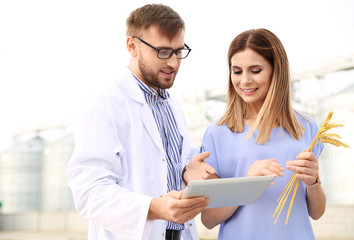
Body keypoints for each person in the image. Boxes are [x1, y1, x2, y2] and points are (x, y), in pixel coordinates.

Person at [67, 4, 215, 240]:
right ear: (132, 46)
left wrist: (187, 169)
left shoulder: (172, 106)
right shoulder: (105, 101)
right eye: (163, 51)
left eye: (178, 51)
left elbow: (164, 167)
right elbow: (89, 191)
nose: (174, 63)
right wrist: (154, 208)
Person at [193, 28, 326, 239]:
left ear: (276, 71)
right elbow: (208, 219)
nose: (244, 81)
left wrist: (313, 183)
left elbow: (316, 213)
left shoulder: (306, 126)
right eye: (237, 71)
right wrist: (246, 184)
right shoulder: (218, 134)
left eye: (255, 70)